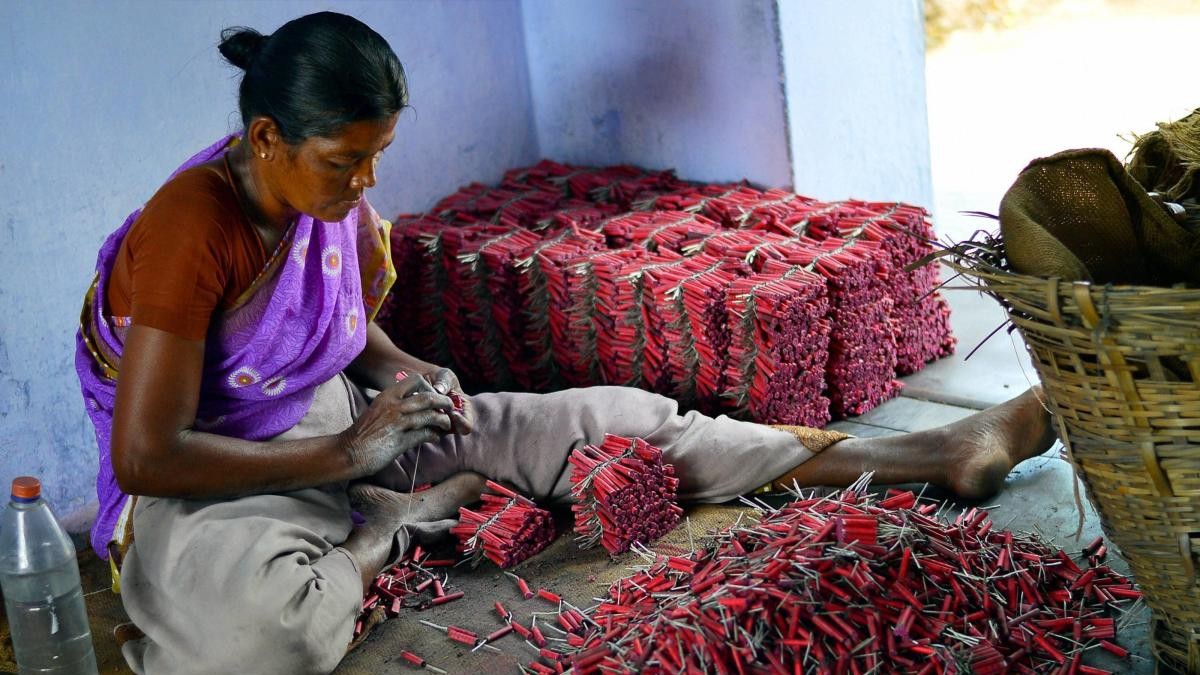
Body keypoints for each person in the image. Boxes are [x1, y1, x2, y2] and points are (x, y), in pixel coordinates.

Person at [74, 12, 1057, 675]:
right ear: (264, 139)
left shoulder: (316, 191)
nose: (365, 186)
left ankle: (927, 450)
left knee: (615, 419)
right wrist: (347, 458)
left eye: (377, 158)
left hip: (346, 428)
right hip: (222, 479)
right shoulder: (190, 230)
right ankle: (392, 526)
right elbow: (146, 456)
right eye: (345, 162)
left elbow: (331, 322)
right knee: (263, 635)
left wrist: (406, 374)